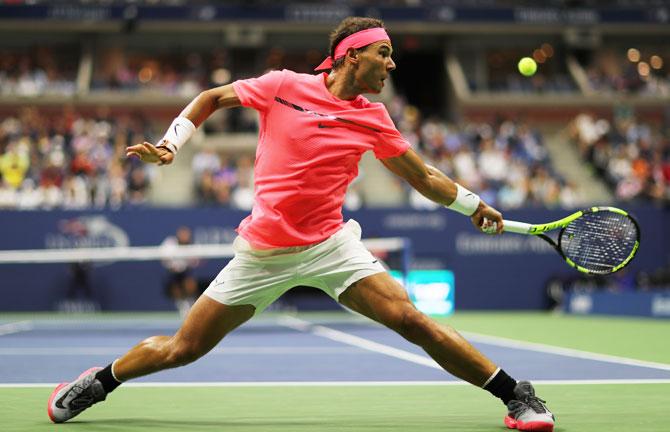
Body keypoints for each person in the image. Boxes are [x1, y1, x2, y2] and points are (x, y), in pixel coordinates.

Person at [47, 17, 555, 431]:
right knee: (183, 349)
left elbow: (421, 175)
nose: (392, 63)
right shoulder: (283, 86)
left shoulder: (374, 116)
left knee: (412, 320)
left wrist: (474, 205)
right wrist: (171, 145)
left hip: (330, 245)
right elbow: (211, 98)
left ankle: (517, 395)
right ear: (352, 55)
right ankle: (101, 381)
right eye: (384, 52)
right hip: (262, 252)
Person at [160, 226, 201, 317]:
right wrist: (172, 266)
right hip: (171, 272)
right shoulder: (170, 242)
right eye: (183, 234)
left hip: (186, 272)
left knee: (190, 284)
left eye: (186, 235)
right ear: (178, 234)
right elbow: (164, 259)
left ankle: (190, 303)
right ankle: (182, 304)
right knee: (175, 287)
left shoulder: (192, 245)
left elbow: (195, 261)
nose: (185, 236)